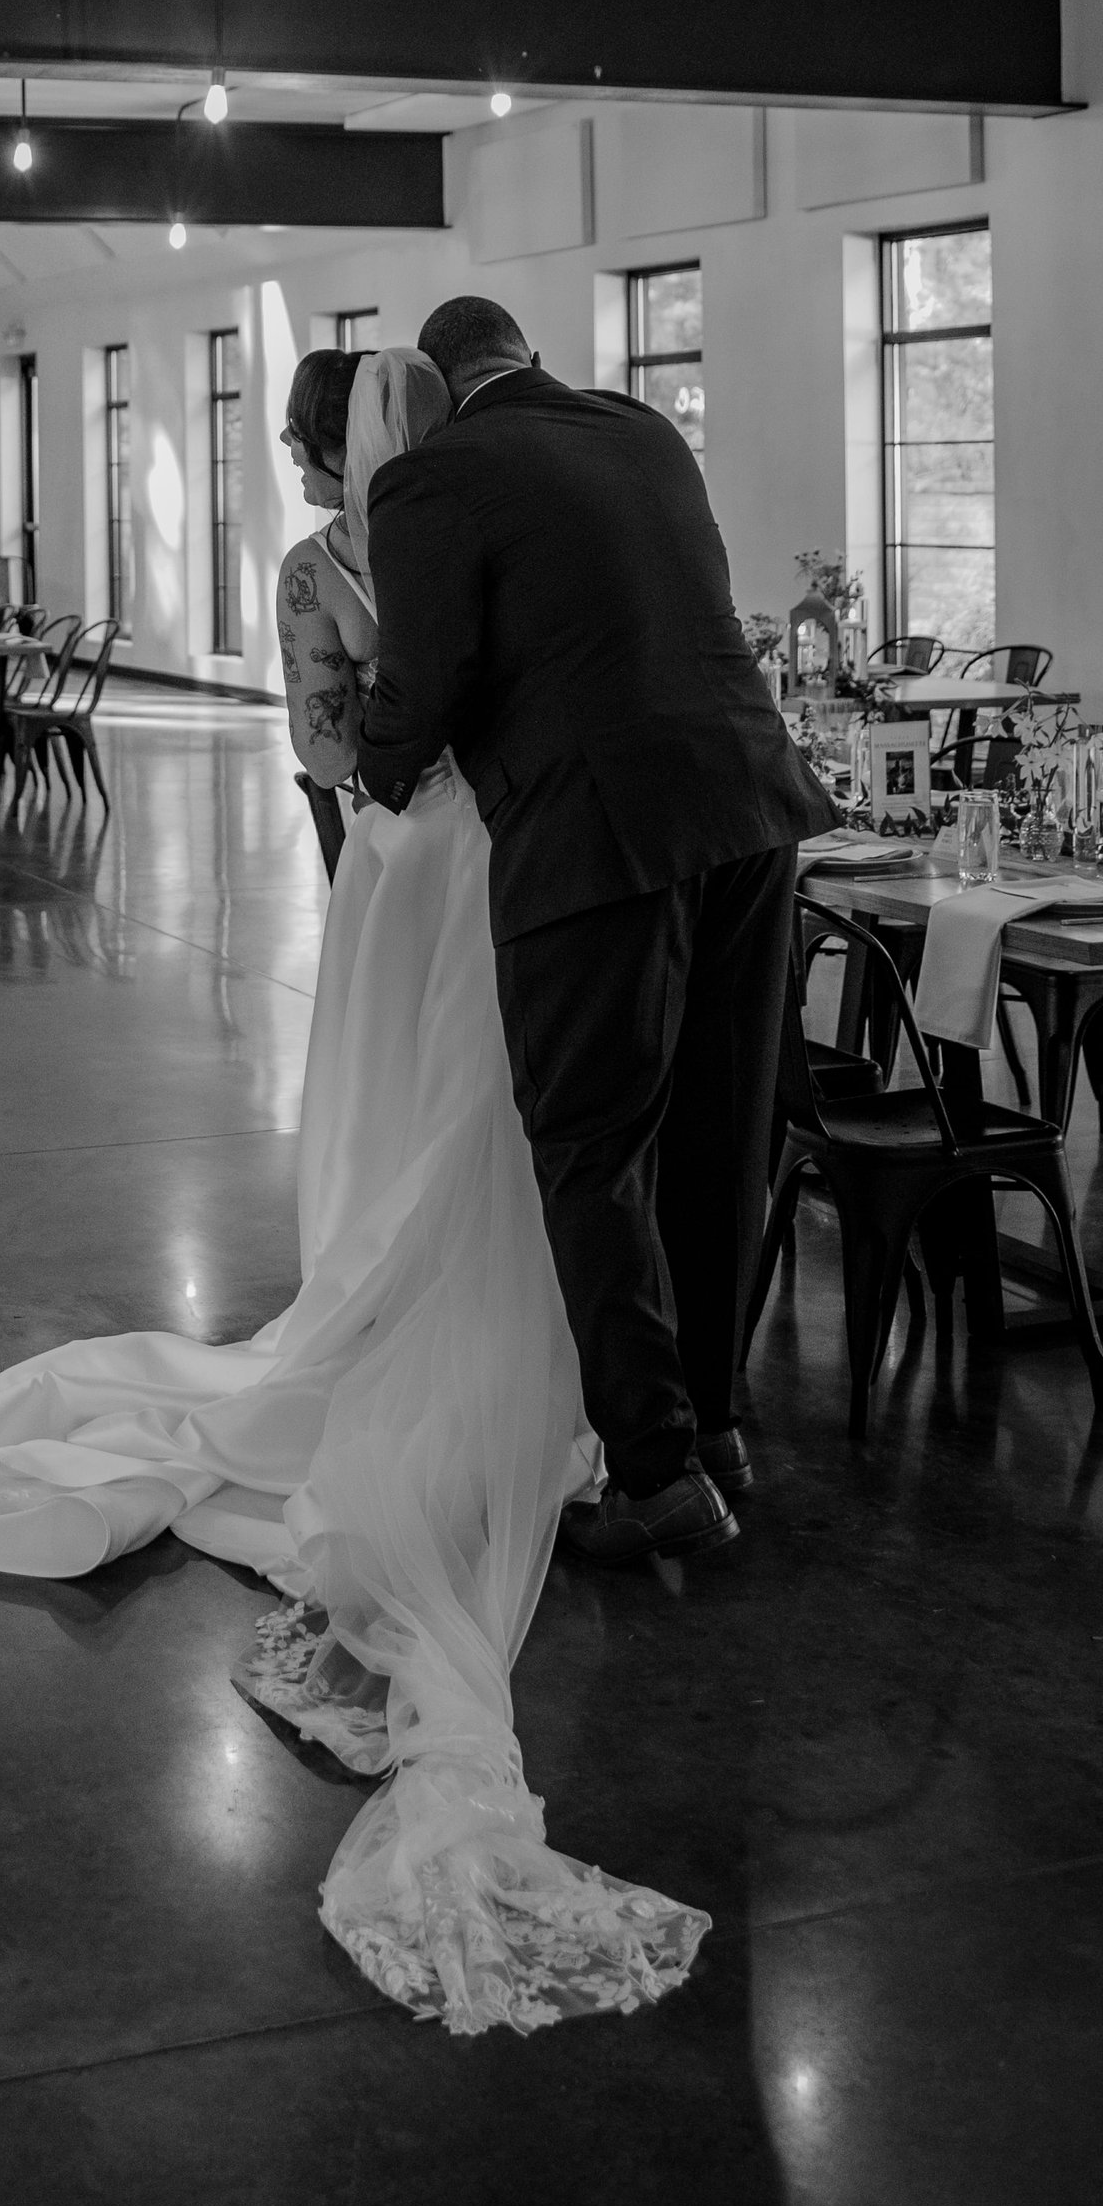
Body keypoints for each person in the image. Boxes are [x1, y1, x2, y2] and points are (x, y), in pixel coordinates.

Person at [0, 349, 711, 2034]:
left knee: (512, 1123)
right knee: (517, 1127)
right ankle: (592, 1383)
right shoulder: (441, 525)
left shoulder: (417, 526)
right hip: (473, 842)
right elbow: (378, 716)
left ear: (356, 445)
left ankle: (568, 1377)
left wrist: (405, 780)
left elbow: (387, 716)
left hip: (482, 843)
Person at [355, 295, 834, 1568]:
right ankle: (716, 1424)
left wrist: (375, 765)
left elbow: (423, 679)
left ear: (441, 381)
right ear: (526, 356)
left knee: (589, 1142)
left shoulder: (432, 476)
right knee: (723, 1130)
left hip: (600, 838)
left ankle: (656, 1472)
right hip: (748, 811)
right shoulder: (642, 430)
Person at [274, 346, 371, 877]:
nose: (287, 442)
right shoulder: (463, 535)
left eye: (298, 427)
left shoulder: (313, 570)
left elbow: (329, 760)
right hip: (507, 827)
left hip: (400, 829)